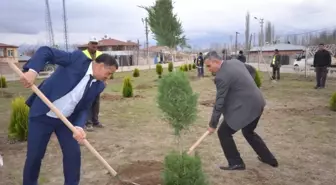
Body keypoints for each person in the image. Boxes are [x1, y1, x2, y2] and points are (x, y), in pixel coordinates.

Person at [20, 46, 118, 185]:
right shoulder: (77, 59)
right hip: (42, 115)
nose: (108, 77)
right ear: (101, 66)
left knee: (73, 155)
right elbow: (46, 51)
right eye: (108, 73)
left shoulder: (99, 85)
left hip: (66, 121)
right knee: (35, 156)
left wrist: (79, 126)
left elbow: (85, 108)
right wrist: (32, 71)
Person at [204, 51, 278, 171]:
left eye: (209, 66)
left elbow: (219, 102)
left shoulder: (221, 77)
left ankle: (236, 162)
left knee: (223, 132)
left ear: (215, 62)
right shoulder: (235, 62)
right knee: (248, 132)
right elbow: (251, 70)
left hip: (248, 106)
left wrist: (213, 124)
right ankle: (269, 158)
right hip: (258, 102)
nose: (208, 69)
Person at [82, 37, 104, 131]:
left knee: (96, 102)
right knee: (88, 102)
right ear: (88, 44)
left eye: (96, 44)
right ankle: (88, 123)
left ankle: (95, 121)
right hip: (86, 80)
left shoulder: (100, 54)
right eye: (92, 43)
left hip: (97, 80)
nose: (94, 45)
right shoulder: (83, 54)